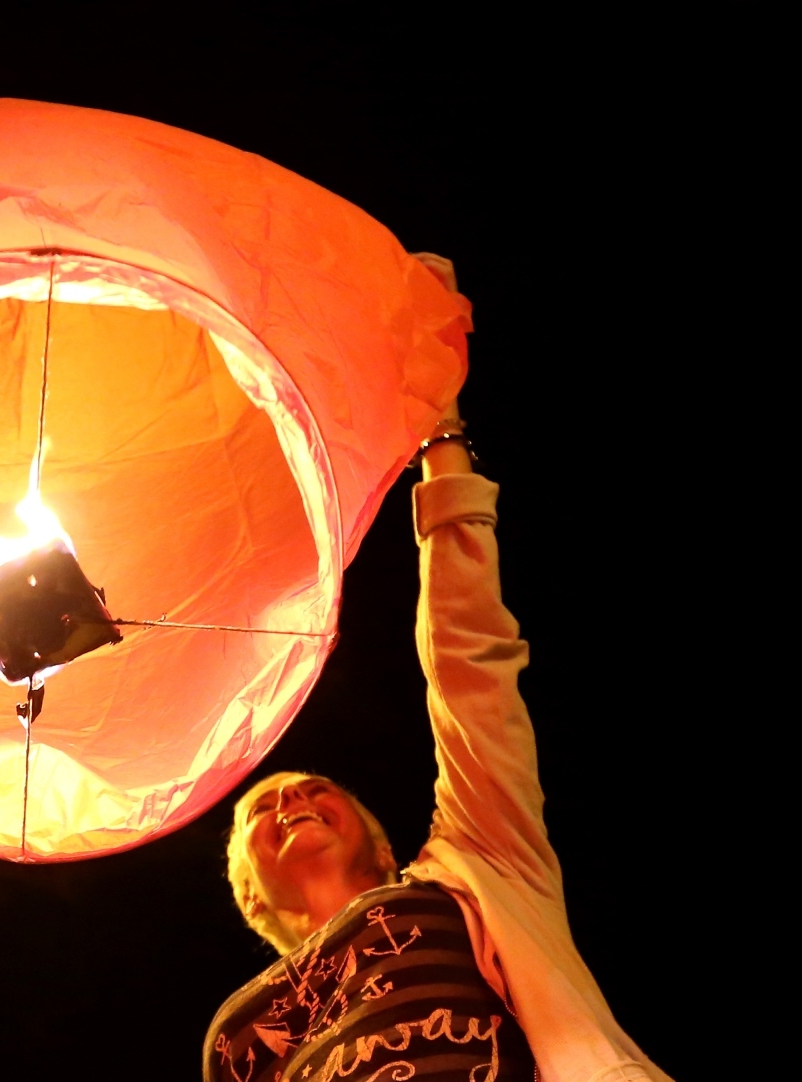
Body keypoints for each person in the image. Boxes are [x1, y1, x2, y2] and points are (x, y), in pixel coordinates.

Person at [204, 257, 670, 1082]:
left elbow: (469, 664)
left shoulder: (477, 863)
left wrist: (439, 436)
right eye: (262, 811)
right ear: (247, 891)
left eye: (314, 790)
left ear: (382, 841)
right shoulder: (239, 1035)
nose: (290, 800)